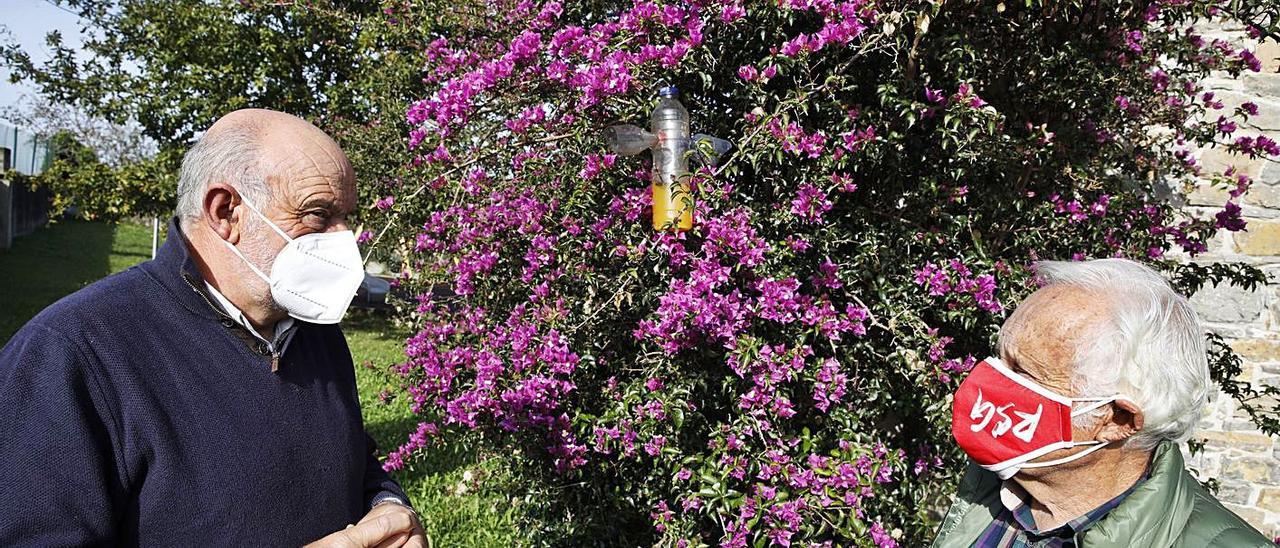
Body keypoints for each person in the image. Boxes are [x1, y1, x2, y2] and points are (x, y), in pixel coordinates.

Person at [0, 109, 425, 547]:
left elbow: (357, 460)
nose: (345, 240)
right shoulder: (70, 355)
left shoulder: (314, 328)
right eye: (318, 215)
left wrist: (390, 510)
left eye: (346, 217)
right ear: (226, 212)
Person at [932, 258, 1271, 547]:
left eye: (1023, 372)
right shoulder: (991, 484)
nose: (986, 381)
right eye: (999, 358)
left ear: (1117, 420)